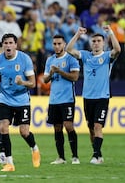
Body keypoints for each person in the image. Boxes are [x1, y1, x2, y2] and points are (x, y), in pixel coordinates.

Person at [66, 26, 121, 164]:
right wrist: (77, 34)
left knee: (98, 126)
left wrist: (111, 33)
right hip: (88, 97)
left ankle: (95, 156)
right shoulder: (85, 55)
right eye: (94, 41)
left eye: (98, 41)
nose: (96, 43)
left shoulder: (107, 57)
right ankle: (98, 153)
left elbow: (118, 50)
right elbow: (68, 49)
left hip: (102, 97)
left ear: (103, 43)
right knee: (91, 128)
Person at [0, 33, 41, 172]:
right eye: (5, 43)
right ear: (3, 46)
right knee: (3, 128)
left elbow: (32, 83)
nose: (8, 46)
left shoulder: (24, 59)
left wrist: (22, 82)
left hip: (22, 99)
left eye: (10, 43)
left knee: (24, 132)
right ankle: (9, 163)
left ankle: (35, 149)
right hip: (5, 98)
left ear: (15, 45)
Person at [43, 34, 81, 165]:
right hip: (54, 100)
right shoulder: (50, 60)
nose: (57, 46)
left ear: (64, 44)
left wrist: (60, 71)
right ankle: (61, 157)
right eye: (54, 44)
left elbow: (75, 77)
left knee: (68, 126)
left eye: (59, 43)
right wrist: (52, 73)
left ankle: (75, 156)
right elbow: (45, 80)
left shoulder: (71, 59)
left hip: (67, 98)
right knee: (57, 128)